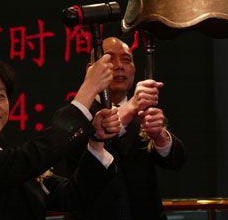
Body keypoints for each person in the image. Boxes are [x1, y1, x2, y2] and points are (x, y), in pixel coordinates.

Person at [0, 54, 121, 220]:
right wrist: (89, 89)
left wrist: (96, 142)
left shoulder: (13, 162)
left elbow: (72, 196)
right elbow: (37, 154)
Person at [63, 37, 186, 220]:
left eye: (126, 60)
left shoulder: (144, 114)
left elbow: (177, 162)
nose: (119, 66)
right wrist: (131, 108)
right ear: (91, 70)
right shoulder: (76, 116)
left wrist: (160, 137)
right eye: (109, 58)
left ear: (134, 69)